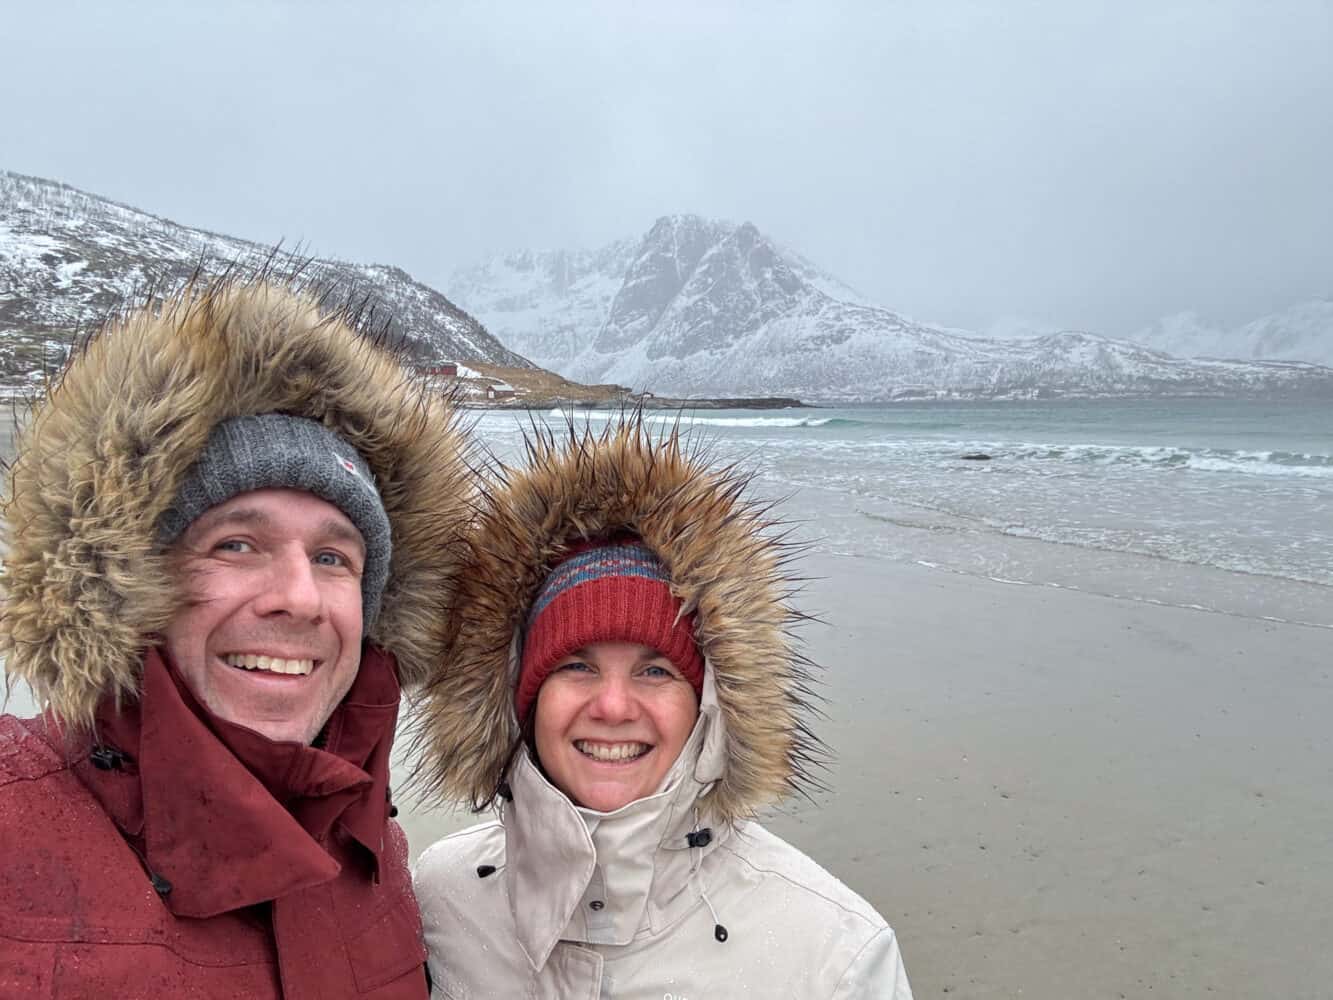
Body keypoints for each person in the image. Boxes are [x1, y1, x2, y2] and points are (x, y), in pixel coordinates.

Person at [0, 278, 472, 998]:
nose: (297, 598)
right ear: (130, 581)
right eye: (237, 545)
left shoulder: (375, 860)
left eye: (331, 558)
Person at [411, 416, 914, 998]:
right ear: (523, 696)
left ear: (708, 704)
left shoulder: (836, 957)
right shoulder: (442, 897)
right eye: (577, 664)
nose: (614, 705)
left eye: (656, 671)